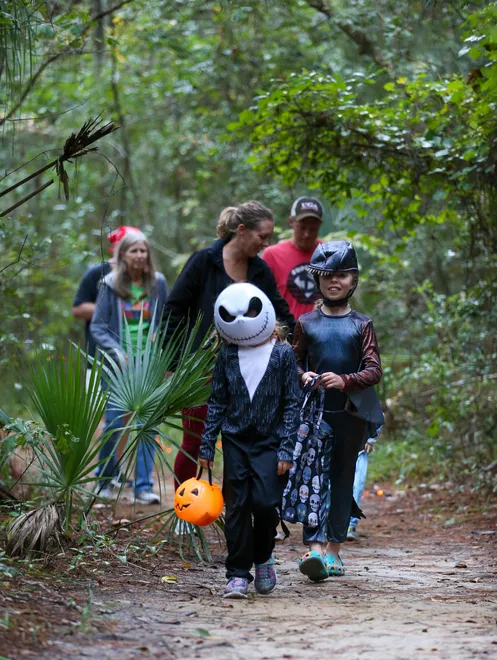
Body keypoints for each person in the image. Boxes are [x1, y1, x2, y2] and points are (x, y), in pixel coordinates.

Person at [161, 201, 295, 488]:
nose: (266, 243)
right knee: (193, 441)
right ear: (243, 231)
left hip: (248, 370)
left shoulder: (259, 270)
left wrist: (298, 343)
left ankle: (241, 511)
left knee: (243, 442)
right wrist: (172, 365)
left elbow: (280, 311)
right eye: (263, 236)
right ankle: (185, 510)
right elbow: (174, 310)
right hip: (201, 370)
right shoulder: (204, 262)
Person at [198, 282, 300, 599]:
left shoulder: (283, 354)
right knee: (238, 506)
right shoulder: (227, 355)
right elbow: (217, 402)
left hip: (271, 442)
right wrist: (206, 446)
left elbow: (292, 404)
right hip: (235, 440)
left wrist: (286, 448)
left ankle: (264, 556)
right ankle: (238, 574)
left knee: (266, 502)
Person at [292, 240, 383, 580]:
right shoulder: (306, 323)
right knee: (311, 481)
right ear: (317, 279)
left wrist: (344, 380)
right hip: (314, 417)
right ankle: (313, 550)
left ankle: (334, 552)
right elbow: (293, 364)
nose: (335, 281)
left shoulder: (362, 324)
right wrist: (306, 377)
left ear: (353, 280)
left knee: (342, 482)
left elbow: (374, 370)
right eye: (328, 275)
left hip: (350, 415)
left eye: (342, 275)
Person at [90, 230, 169, 504]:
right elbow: (98, 328)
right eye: (133, 250)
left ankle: (144, 487)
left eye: (143, 250)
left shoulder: (158, 283)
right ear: (122, 254)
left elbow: (167, 320)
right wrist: (116, 351)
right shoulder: (108, 284)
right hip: (118, 367)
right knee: (114, 423)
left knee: (148, 425)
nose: (139, 255)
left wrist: (162, 336)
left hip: (148, 367)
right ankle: (104, 479)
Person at [72, 225, 140, 384]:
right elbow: (77, 309)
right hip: (100, 361)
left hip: (138, 364)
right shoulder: (98, 272)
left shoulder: (144, 277)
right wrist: (111, 310)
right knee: (99, 409)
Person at [262, 196, 324, 319]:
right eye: (302, 228)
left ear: (320, 225)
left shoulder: (328, 253)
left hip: (321, 332)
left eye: (313, 229)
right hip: (285, 332)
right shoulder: (272, 255)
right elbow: (262, 298)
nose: (307, 234)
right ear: (291, 222)